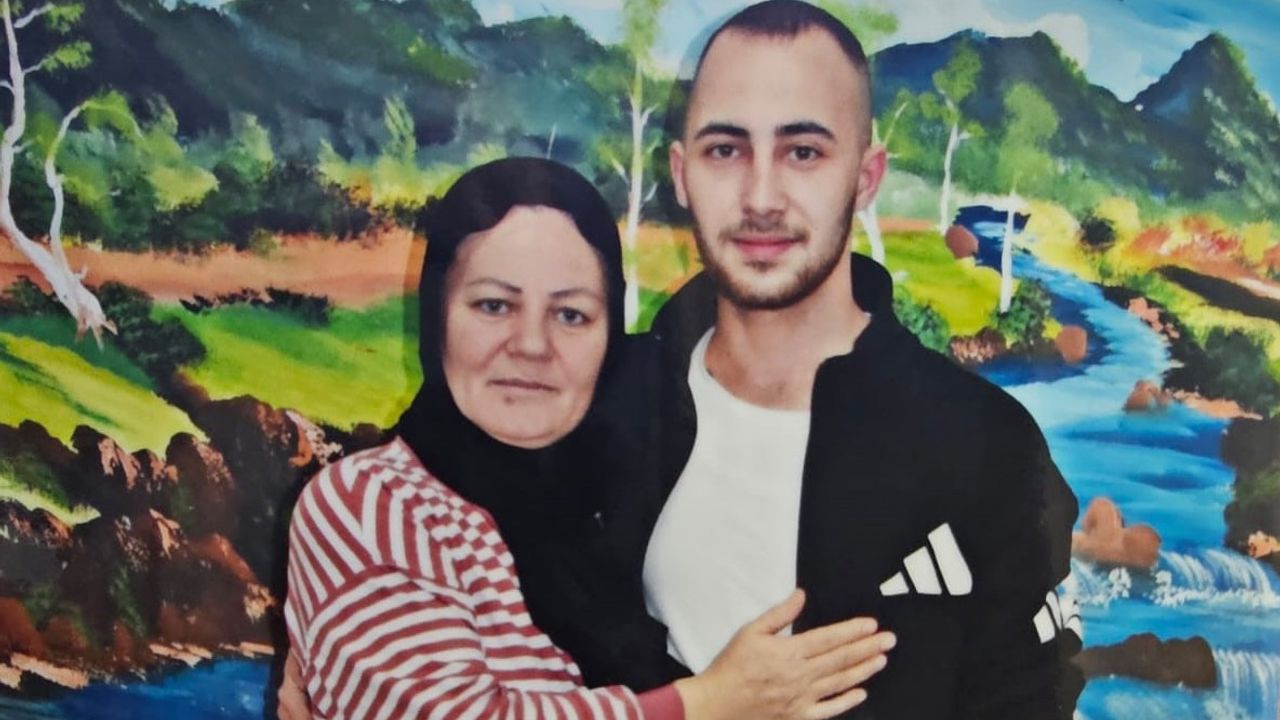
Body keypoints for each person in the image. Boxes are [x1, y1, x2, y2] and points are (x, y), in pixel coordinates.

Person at [281, 157, 895, 720]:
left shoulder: (618, 508)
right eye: (494, 305)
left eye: (571, 314)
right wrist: (710, 703)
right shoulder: (370, 504)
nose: (531, 345)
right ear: (438, 314)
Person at [607, 1, 1084, 717]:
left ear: (865, 178)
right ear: (680, 173)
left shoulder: (985, 446)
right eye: (725, 150)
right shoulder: (612, 404)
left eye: (803, 151)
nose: (760, 197)